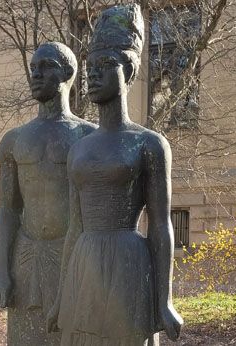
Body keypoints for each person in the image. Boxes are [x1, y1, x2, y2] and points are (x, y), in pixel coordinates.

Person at [47, 5, 183, 345]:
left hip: (128, 263)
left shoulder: (149, 144)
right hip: (85, 261)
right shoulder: (78, 149)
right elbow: (74, 226)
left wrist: (164, 300)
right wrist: (62, 296)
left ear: (130, 70)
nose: (93, 75)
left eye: (105, 66)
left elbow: (161, 224)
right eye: (90, 68)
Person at [0, 42, 97, 345]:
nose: (35, 74)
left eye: (45, 66)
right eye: (32, 68)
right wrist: (2, 271)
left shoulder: (88, 138)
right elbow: (8, 210)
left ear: (67, 72)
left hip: (72, 259)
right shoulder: (13, 141)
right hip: (25, 258)